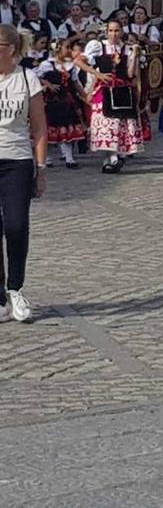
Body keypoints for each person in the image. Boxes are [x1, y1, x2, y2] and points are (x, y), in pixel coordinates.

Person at [0, 25, 48, 323]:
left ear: (10, 49)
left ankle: (15, 287)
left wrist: (40, 169)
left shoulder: (28, 79)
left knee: (16, 226)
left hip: (17, 160)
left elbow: (39, 126)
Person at [78, 20, 143, 173]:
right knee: (108, 124)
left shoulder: (127, 48)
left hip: (122, 89)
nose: (114, 34)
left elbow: (130, 74)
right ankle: (115, 157)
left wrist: (135, 56)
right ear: (107, 32)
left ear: (122, 31)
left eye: (117, 30)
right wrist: (97, 73)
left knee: (120, 124)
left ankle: (108, 161)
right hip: (105, 90)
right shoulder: (99, 46)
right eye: (111, 31)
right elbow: (79, 61)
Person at [36, 38, 87, 169]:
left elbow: (75, 83)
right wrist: (48, 84)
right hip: (52, 102)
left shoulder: (70, 66)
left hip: (67, 101)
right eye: (67, 47)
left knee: (68, 128)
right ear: (58, 49)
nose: (69, 50)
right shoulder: (46, 64)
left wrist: (85, 97)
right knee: (50, 129)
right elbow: (36, 77)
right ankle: (46, 157)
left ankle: (69, 157)